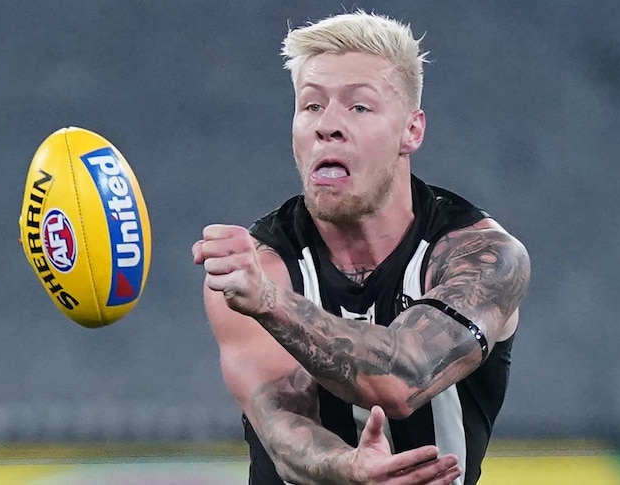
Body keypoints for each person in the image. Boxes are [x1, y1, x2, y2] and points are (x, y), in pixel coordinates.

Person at [193, 10, 530, 485]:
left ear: (411, 131)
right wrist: (349, 468)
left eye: (358, 107)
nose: (327, 126)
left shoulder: (483, 259)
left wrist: (270, 304)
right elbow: (285, 433)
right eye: (311, 106)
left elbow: (403, 376)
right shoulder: (262, 267)